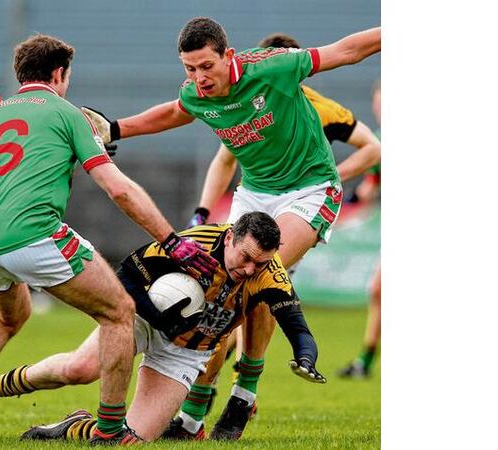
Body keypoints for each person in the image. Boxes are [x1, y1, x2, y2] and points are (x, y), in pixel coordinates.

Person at [81, 18, 380, 440]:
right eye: (190, 69)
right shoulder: (197, 94)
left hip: (310, 189)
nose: (199, 78)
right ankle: (193, 416)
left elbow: (346, 50)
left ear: (229, 56)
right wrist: (115, 128)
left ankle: (243, 392)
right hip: (254, 194)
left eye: (207, 66)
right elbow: (175, 112)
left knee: (256, 273)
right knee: (220, 282)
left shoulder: (274, 67)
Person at [0, 34, 218, 445]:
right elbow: (119, 189)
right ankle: (110, 431)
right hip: (34, 235)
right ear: (59, 73)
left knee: (8, 317)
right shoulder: (68, 114)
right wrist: (171, 240)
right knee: (119, 313)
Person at [0, 212, 325, 443]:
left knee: (129, 440)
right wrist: (161, 318)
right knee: (79, 369)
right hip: (143, 319)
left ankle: (70, 427)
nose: (249, 270)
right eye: (245, 258)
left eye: (259, 264)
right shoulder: (195, 243)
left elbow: (297, 326)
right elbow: (126, 277)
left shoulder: (269, 273)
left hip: (187, 353)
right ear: (230, 238)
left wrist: (305, 357)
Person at [175, 31, 384, 429]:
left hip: (299, 209)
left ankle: (228, 393)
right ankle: (221, 394)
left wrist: (324, 183)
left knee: (249, 287)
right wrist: (201, 212)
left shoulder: (321, 107)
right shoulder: (244, 100)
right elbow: (224, 159)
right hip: (257, 202)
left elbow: (373, 147)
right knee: (236, 293)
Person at [339, 78, 381, 379]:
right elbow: (370, 186)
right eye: (378, 102)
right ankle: (365, 362)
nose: (380, 108)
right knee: (379, 290)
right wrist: (337, 199)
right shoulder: (378, 141)